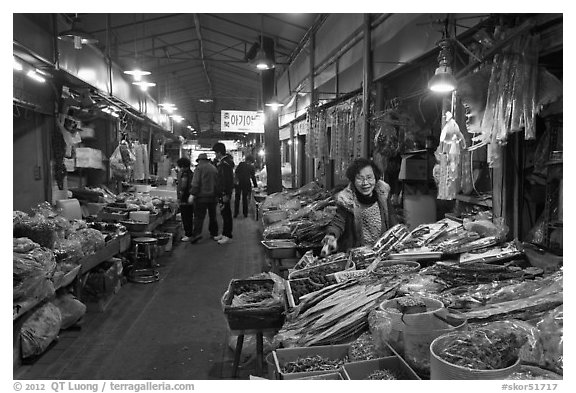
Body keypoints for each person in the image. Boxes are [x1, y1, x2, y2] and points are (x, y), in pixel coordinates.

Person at [321, 158, 397, 256]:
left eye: (369, 177)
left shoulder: (383, 195)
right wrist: (331, 235)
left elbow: (392, 220)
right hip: (358, 255)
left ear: (376, 178)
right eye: (360, 178)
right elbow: (338, 222)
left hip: (381, 253)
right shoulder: (346, 200)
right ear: (353, 180)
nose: (365, 183)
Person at [187, 153, 219, 243]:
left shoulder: (199, 168)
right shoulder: (214, 168)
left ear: (200, 160)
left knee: (199, 217)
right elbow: (218, 183)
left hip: (202, 197)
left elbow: (196, 183)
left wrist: (192, 195)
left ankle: (197, 234)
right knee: (213, 216)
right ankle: (214, 233)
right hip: (213, 197)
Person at [212, 142, 235, 244]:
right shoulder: (225, 163)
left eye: (216, 153)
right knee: (224, 212)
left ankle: (227, 234)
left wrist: (226, 193)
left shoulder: (224, 164)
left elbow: (226, 180)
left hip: (224, 192)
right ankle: (225, 232)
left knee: (226, 213)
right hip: (223, 192)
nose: (215, 155)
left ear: (219, 152)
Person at [176, 157, 194, 241]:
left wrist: (180, 197)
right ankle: (190, 233)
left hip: (185, 198)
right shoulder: (190, 172)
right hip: (190, 197)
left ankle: (188, 234)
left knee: (185, 216)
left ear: (182, 166)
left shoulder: (185, 174)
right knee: (189, 216)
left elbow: (183, 186)